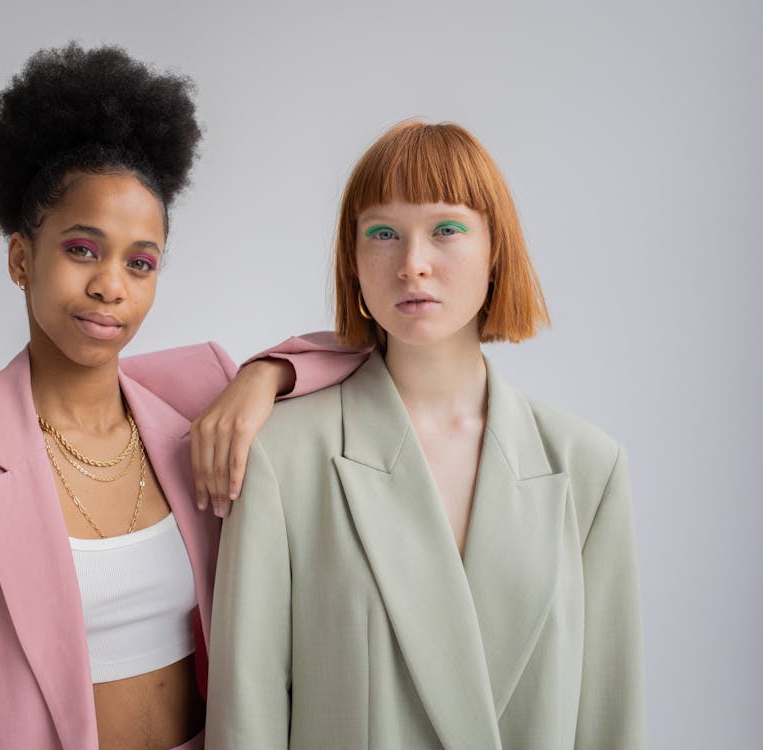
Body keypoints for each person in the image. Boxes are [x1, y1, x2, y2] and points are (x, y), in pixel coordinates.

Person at [0, 44, 363, 750]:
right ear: (19, 257)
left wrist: (264, 376)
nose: (110, 286)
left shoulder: (198, 401)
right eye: (80, 249)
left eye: (140, 262)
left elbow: (358, 352)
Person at [207, 121, 645, 749]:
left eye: (447, 230)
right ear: (353, 262)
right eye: (382, 234)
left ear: (496, 251)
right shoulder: (282, 456)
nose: (413, 264)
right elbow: (245, 717)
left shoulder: (588, 468)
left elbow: (609, 720)